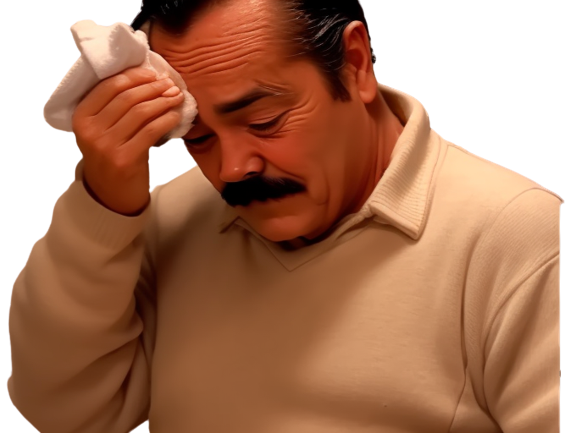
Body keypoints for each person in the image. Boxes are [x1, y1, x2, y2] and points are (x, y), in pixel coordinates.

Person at [8, 0, 562, 432]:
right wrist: (106, 204)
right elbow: (63, 412)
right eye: (197, 137)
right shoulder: (169, 217)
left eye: (265, 121)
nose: (233, 168)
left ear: (355, 64)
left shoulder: (519, 236)